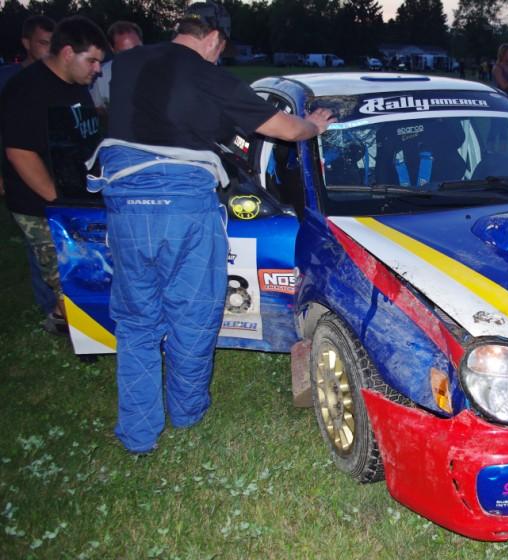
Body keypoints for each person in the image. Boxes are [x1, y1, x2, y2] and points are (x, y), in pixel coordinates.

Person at [88, 6, 335, 454]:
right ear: (214, 39)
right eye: (221, 49)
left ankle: (139, 435)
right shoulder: (210, 76)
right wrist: (312, 126)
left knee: (137, 322)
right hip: (183, 202)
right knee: (192, 313)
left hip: (123, 201)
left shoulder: (121, 63)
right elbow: (282, 128)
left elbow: (100, 106)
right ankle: (186, 412)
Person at [1, 16, 107, 333]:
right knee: (62, 273)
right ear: (66, 53)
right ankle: (70, 328)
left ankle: (85, 324)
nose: (97, 70)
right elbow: (19, 151)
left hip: (75, 196)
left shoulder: (75, 86)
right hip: (41, 203)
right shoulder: (28, 89)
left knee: (87, 264)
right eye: (91, 60)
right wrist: (58, 203)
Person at [0, 15, 57, 320]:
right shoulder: (11, 81)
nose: (49, 50)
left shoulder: (53, 81)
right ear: (27, 43)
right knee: (38, 246)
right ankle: (50, 310)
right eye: (43, 43)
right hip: (21, 173)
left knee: (48, 244)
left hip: (48, 170)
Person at [89, 21, 143, 115]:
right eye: (124, 53)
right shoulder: (99, 76)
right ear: (112, 49)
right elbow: (97, 110)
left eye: (136, 49)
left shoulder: (160, 71)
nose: (132, 57)